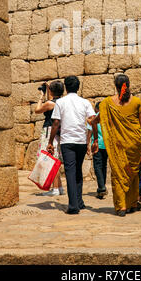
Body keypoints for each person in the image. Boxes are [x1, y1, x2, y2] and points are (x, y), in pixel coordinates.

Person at [91, 74, 141, 217]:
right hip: (134, 143)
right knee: (133, 172)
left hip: (117, 146)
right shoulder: (136, 102)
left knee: (118, 173)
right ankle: (132, 203)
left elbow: (95, 121)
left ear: (116, 86)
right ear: (128, 84)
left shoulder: (106, 103)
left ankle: (121, 207)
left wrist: (95, 139)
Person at [46, 76, 96, 215]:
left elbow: (56, 124)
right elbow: (92, 121)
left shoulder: (60, 103)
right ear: (78, 87)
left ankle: (73, 205)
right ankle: (79, 201)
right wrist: (93, 140)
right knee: (77, 171)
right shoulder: (85, 102)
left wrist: (50, 142)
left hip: (67, 141)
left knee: (70, 172)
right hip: (80, 141)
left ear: (66, 88)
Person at [35, 80, 64, 196]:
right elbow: (52, 100)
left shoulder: (49, 104)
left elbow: (37, 110)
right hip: (60, 133)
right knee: (56, 159)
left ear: (52, 91)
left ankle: (55, 189)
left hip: (49, 132)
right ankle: (60, 188)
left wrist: (41, 97)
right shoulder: (62, 103)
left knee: (51, 161)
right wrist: (48, 88)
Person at [87, 101, 108, 200]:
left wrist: (88, 144)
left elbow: (90, 132)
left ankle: (101, 187)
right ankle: (101, 188)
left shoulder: (94, 117)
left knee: (97, 166)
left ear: (96, 109)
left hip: (97, 145)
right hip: (107, 145)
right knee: (104, 165)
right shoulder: (107, 117)